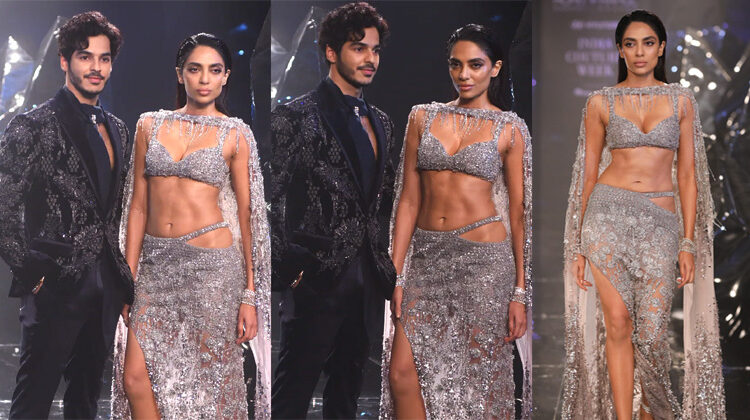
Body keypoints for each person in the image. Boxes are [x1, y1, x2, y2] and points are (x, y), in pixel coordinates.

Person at [561, 9, 725, 419]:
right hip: (606, 216)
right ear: (620, 50)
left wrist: (688, 242)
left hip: (661, 223)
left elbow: (687, 175)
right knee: (617, 323)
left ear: (661, 48)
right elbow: (587, 175)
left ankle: (652, 414)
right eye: (630, 44)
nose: (639, 52)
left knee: (652, 337)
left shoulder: (681, 100)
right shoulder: (600, 102)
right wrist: (578, 245)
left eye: (648, 43)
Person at [109, 33, 271, 419]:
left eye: (214, 70)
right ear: (180, 74)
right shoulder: (149, 125)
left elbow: (248, 216)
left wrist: (250, 294)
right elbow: (136, 207)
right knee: (135, 378)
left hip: (213, 268)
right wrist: (126, 279)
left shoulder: (235, 133)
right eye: (195, 69)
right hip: (154, 268)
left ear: (226, 77)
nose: (204, 79)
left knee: (211, 381)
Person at [379, 24, 533, 419]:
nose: (464, 74)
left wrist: (520, 291)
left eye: (475, 65)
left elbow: (519, 212)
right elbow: (408, 201)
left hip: (485, 263)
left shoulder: (510, 128)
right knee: (402, 375)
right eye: (456, 64)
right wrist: (395, 273)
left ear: (495, 68)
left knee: (475, 382)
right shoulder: (422, 117)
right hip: (426, 261)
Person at [0, 11, 132, 419]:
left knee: (86, 401)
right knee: (34, 400)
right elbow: (3, 204)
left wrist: (120, 278)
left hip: (106, 286)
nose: (96, 67)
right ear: (64, 60)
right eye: (85, 56)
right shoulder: (33, 126)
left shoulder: (119, 129)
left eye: (104, 58)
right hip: (54, 284)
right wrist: (32, 272)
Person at [268, 2, 397, 418]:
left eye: (375, 50)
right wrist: (290, 267)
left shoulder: (382, 122)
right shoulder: (296, 116)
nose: (370, 59)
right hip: (316, 278)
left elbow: (382, 199)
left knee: (347, 397)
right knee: (292, 395)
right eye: (359, 48)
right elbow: (270, 198)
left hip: (366, 281)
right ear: (330, 51)